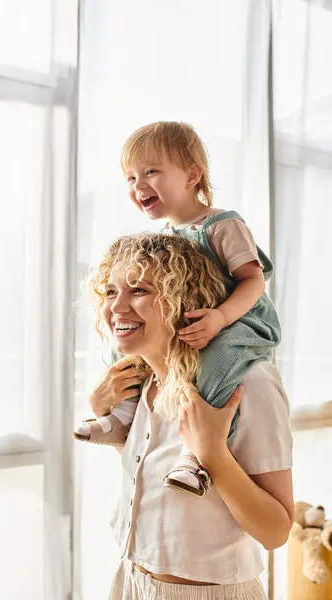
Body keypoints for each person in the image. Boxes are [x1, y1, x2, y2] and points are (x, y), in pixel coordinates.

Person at [73, 121, 281, 497]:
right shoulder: (165, 239)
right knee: (123, 348)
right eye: (131, 177)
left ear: (192, 175)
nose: (138, 185)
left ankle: (195, 456)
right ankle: (122, 416)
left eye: (151, 171)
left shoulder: (222, 225)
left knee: (215, 363)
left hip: (241, 322)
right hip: (199, 321)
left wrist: (220, 318)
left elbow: (253, 281)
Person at [85, 232, 293, 599]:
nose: (116, 307)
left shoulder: (250, 383)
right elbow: (155, 482)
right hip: (131, 581)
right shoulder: (142, 383)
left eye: (139, 290)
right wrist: (101, 411)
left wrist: (212, 454)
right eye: (111, 291)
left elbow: (276, 531)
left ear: (185, 300)